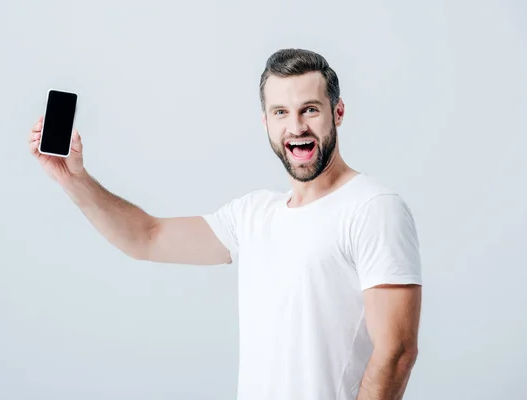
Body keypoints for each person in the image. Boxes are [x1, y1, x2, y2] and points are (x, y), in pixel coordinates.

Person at [28, 48, 422, 400]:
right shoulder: (252, 214)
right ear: (265, 121)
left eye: (310, 109)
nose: (296, 126)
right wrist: (73, 179)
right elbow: (146, 237)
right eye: (281, 112)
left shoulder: (373, 207)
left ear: (337, 112)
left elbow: (397, 353)